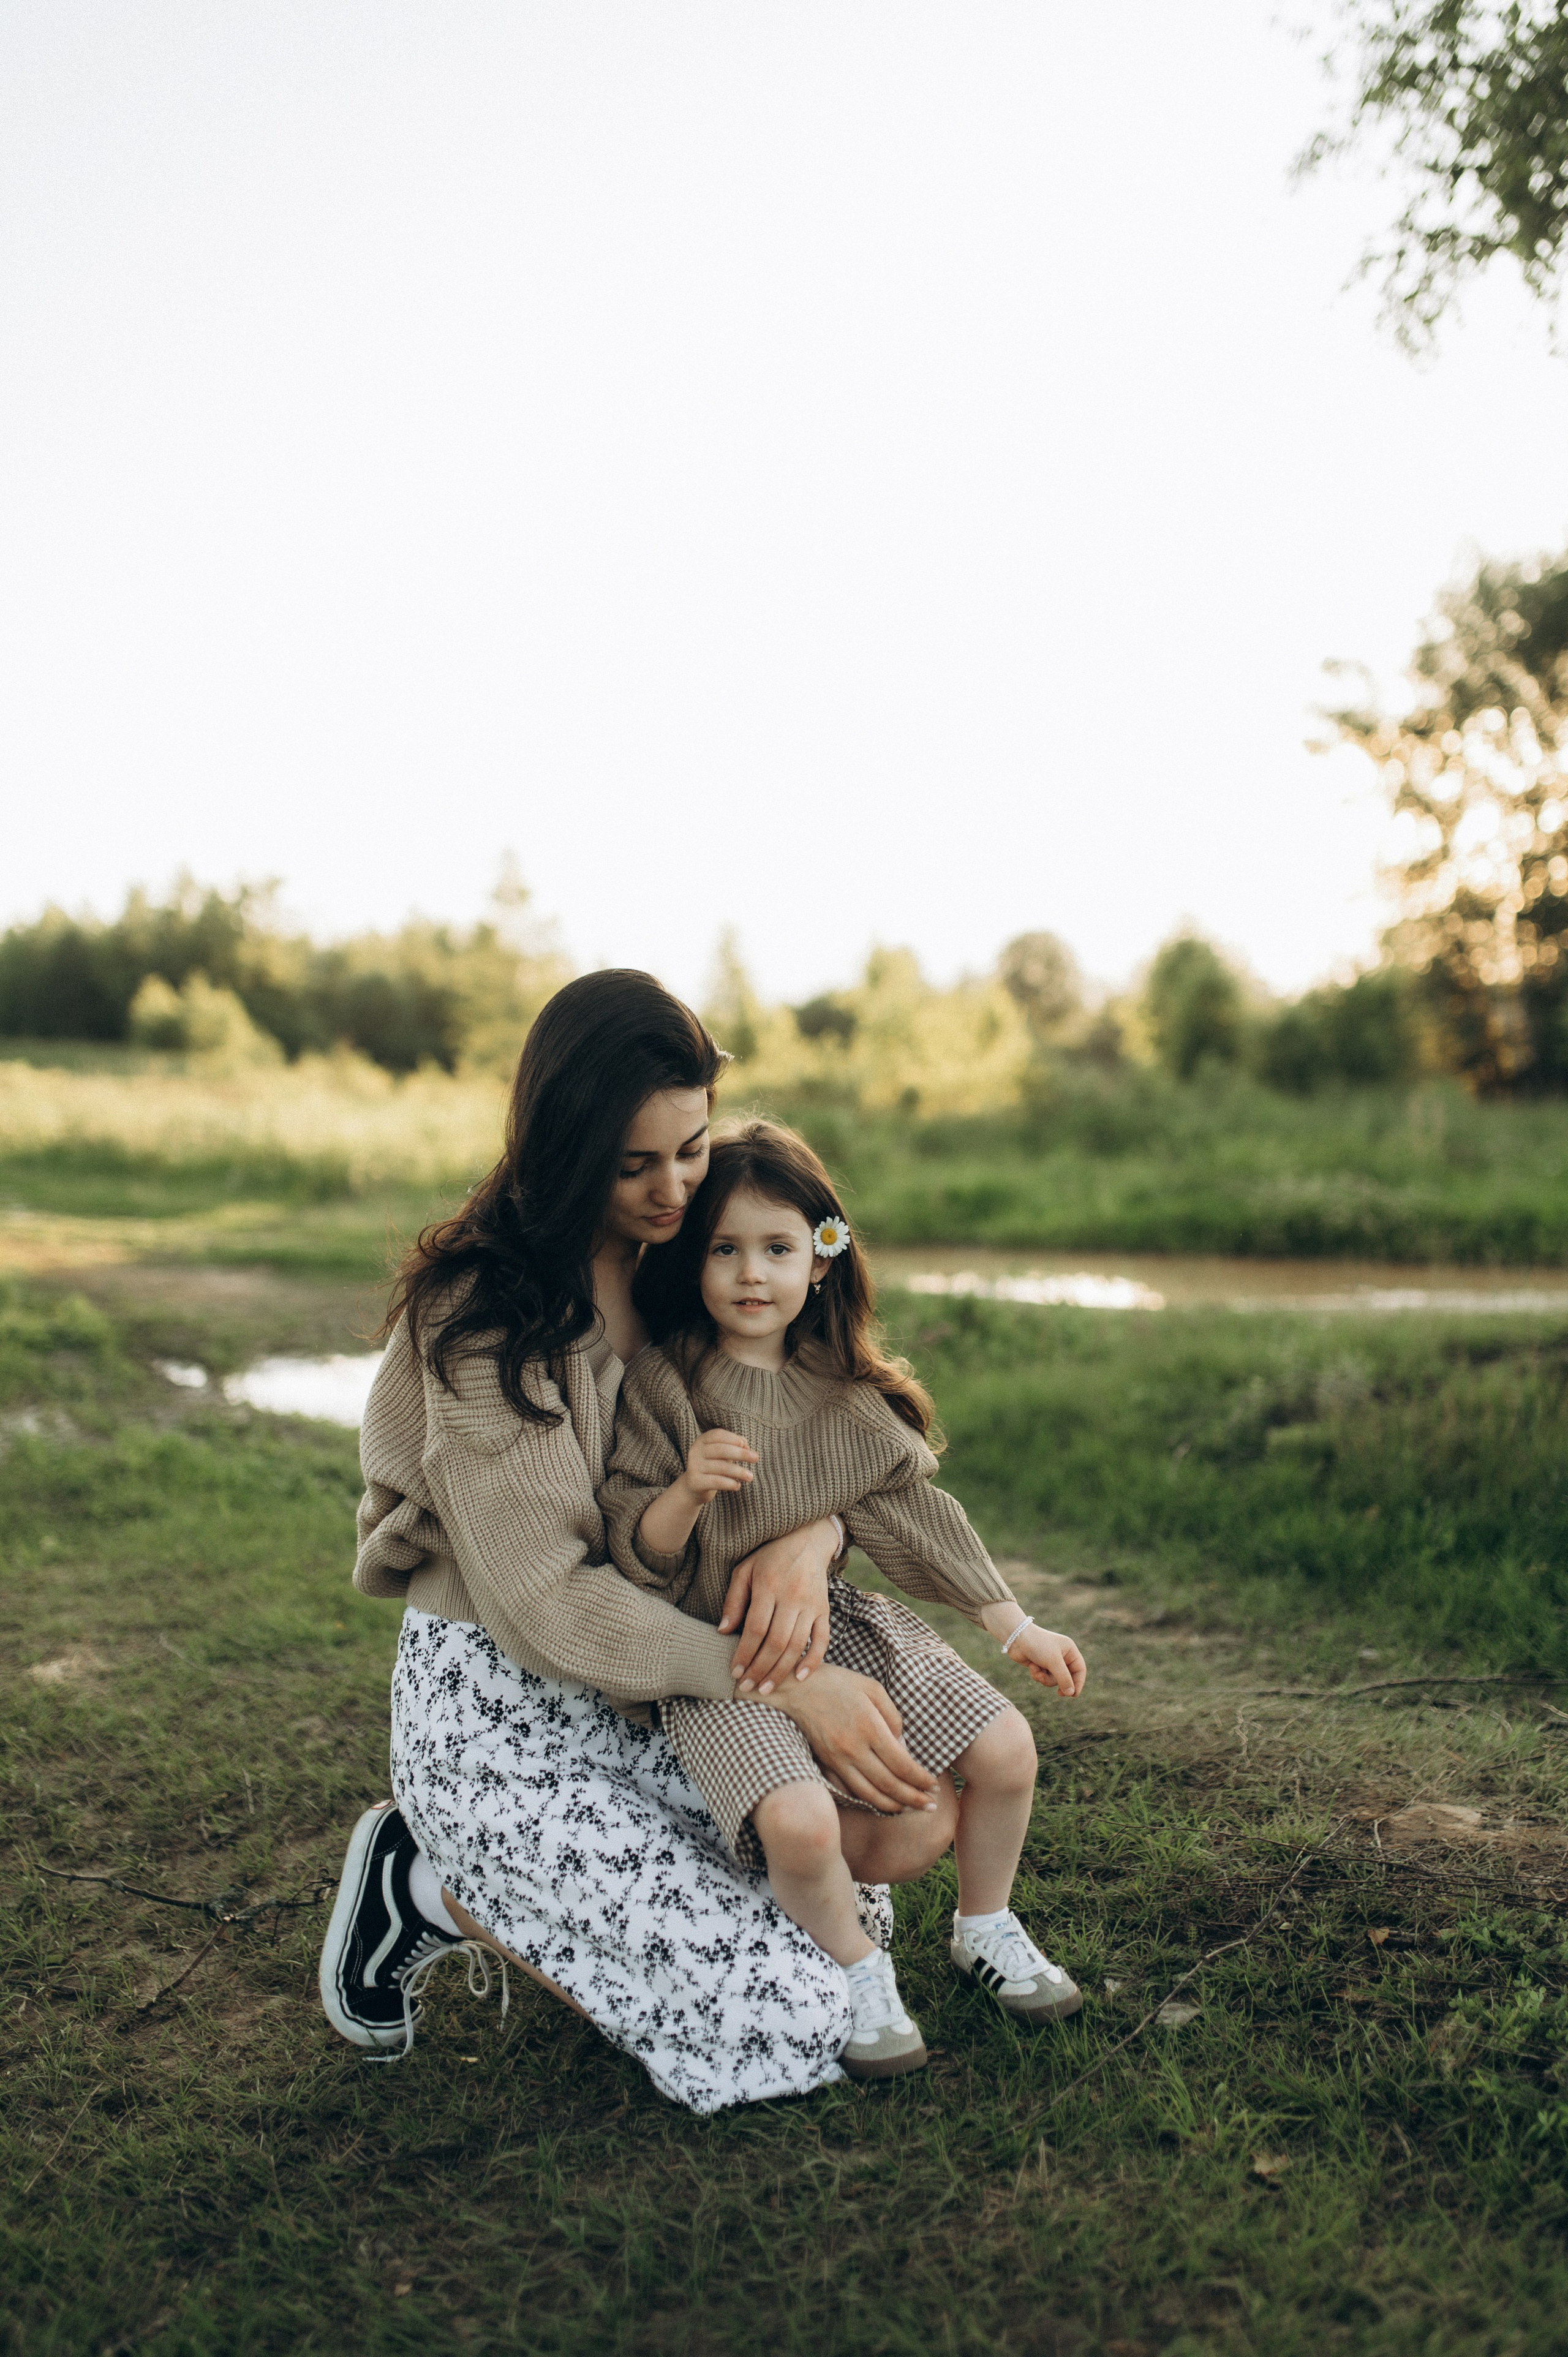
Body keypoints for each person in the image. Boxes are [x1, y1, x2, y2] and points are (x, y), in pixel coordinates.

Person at [316, 971, 955, 2114]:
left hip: (660, 1675)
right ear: (566, 1148)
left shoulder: (689, 1261)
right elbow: (551, 1605)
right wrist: (787, 1689)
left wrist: (812, 1535)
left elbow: (809, 1423)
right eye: (635, 1165)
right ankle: (425, 1881)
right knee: (795, 2014)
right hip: (507, 1699)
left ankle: (523, 1896)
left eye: (693, 1149)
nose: (674, 1191)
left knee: (882, 1863)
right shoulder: (486, 1318)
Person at [600, 1119, 1089, 2078]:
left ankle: (984, 1924)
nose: (752, 1274)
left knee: (1006, 1749)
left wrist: (1014, 1624)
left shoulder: (842, 1393)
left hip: (844, 1628)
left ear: (821, 1263)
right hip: (721, 1660)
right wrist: (685, 1492)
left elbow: (914, 1516)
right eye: (725, 1250)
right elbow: (635, 1556)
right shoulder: (665, 1387)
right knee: (800, 1823)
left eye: (778, 1249)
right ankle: (858, 1973)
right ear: (693, 1263)